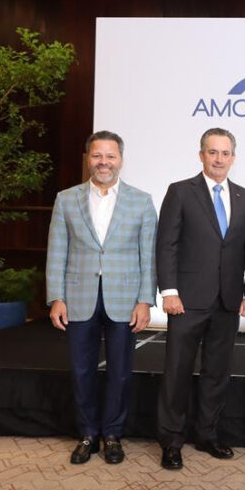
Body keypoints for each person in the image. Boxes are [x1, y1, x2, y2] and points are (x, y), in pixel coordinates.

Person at [46, 130, 158, 465]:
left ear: (120, 160)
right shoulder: (67, 199)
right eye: (97, 156)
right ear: (88, 159)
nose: (103, 162)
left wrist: (144, 300)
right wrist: (56, 297)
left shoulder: (141, 201)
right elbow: (57, 251)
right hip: (78, 297)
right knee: (82, 370)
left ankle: (112, 435)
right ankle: (87, 434)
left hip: (125, 299)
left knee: (120, 372)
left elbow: (148, 256)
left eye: (110, 156)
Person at [156, 127, 245, 470]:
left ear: (233, 157)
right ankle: (171, 442)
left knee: (217, 373)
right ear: (201, 155)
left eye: (225, 153)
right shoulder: (180, 191)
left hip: (227, 302)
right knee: (177, 373)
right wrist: (169, 291)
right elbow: (167, 244)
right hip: (186, 301)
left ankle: (207, 435)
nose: (219, 159)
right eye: (212, 152)